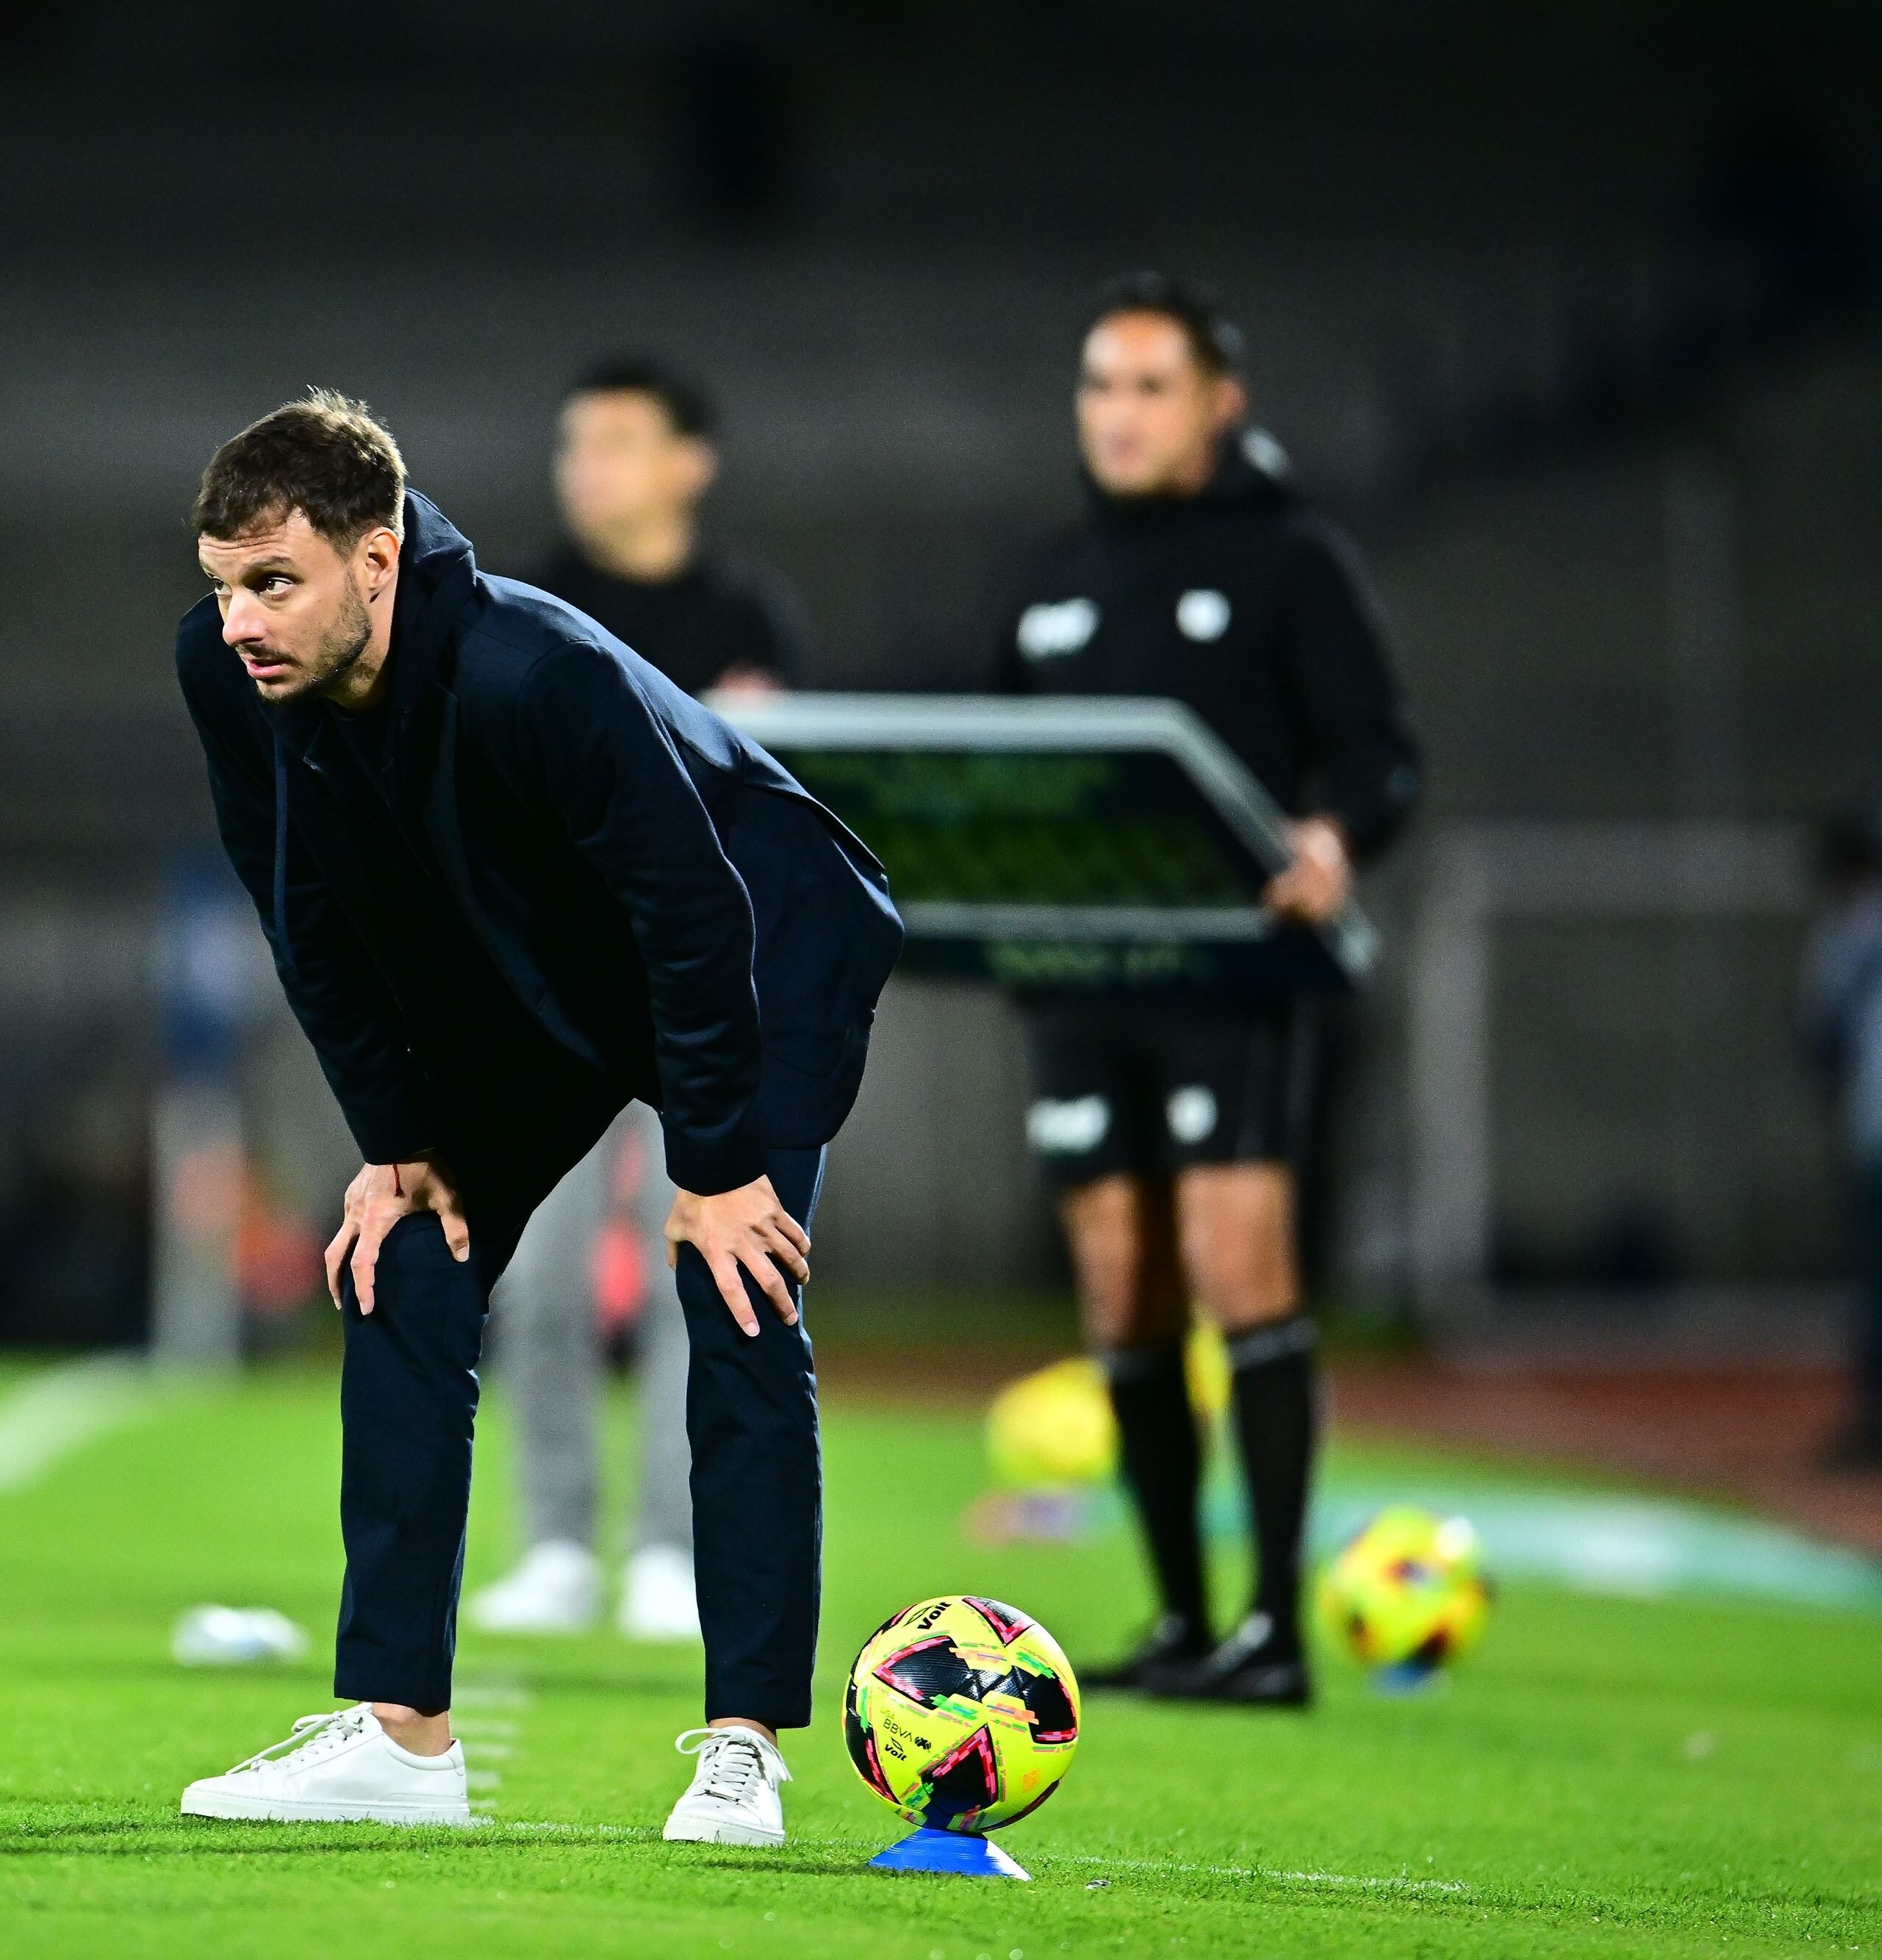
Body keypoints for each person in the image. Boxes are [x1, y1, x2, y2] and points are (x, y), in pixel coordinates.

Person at [170, 392, 902, 1842]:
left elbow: (692, 914)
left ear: (375, 561)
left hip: (755, 943)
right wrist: (395, 1142)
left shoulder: (531, 665)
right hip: (546, 978)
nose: (239, 619)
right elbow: (296, 906)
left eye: (274, 581)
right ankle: (397, 1737)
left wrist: (711, 1164)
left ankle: (742, 1748)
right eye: (221, 584)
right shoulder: (225, 671)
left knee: (734, 1286)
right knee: (405, 1261)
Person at [990, 274, 1422, 1706]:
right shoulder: (1049, 576)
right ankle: (1180, 1621)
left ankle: (1275, 1633)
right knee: (1121, 1289)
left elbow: (1377, 755)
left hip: (1227, 976)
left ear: (1216, 403)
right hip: (1074, 977)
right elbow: (992, 771)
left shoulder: (1290, 561)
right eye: (1096, 386)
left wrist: (1330, 838)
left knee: (1239, 1266)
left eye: (1147, 386)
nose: (1116, 414)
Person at [472, 359, 819, 1642]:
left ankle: (674, 1547)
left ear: (692, 459)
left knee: (707, 1263)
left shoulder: (749, 614)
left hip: (706, 997)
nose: (591, 467)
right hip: (559, 993)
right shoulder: (523, 601)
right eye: (577, 443)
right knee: (542, 1276)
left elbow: (781, 814)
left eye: (621, 440)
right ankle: (558, 1543)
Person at [1802, 810, 1882, 1471]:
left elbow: (1822, 1038)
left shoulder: (1842, 938)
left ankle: (1873, 1417)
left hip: (1872, 1127)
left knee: (1874, 1283)